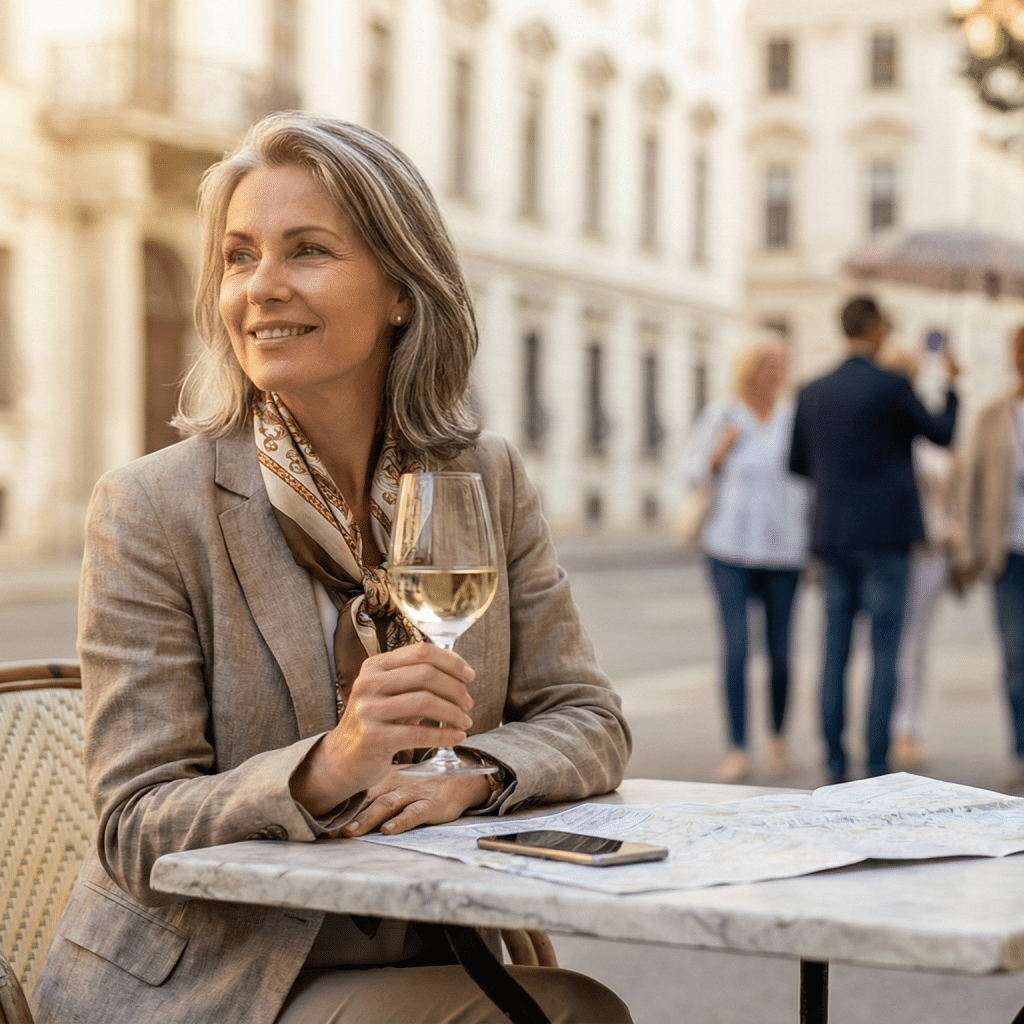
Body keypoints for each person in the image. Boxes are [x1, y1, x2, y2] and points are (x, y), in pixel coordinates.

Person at [31, 112, 633, 1024]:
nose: (261, 288)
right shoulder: (152, 507)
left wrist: (469, 770)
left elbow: (588, 718)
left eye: (306, 250)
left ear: (401, 288)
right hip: (213, 978)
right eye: (239, 257)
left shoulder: (483, 479)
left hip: (428, 936)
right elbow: (135, 821)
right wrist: (328, 765)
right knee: (562, 1016)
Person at [788, 296, 958, 783]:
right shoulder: (892, 386)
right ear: (878, 328)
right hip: (887, 539)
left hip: (834, 537)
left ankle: (835, 762)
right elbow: (941, 432)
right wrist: (950, 383)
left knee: (834, 654)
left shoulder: (812, 390)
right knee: (886, 652)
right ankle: (879, 760)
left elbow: (796, 463)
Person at [683, 338, 810, 783]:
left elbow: (809, 482)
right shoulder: (724, 414)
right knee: (736, 650)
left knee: (780, 654)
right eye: (768, 364)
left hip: (785, 551)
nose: (776, 372)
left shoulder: (794, 419)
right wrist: (719, 453)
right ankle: (737, 747)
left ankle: (776, 735)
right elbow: (691, 473)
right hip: (730, 550)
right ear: (750, 370)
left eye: (781, 364)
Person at [881, 345, 963, 770]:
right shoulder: (881, 429)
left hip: (929, 549)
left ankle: (907, 727)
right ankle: (889, 726)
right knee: (890, 644)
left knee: (914, 643)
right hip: (894, 548)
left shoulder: (921, 428)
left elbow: (946, 464)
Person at [959, 325, 1024, 788]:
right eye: (1017, 349)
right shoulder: (992, 416)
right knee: (1016, 653)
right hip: (1009, 554)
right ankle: (1021, 749)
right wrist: (969, 549)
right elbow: (972, 485)